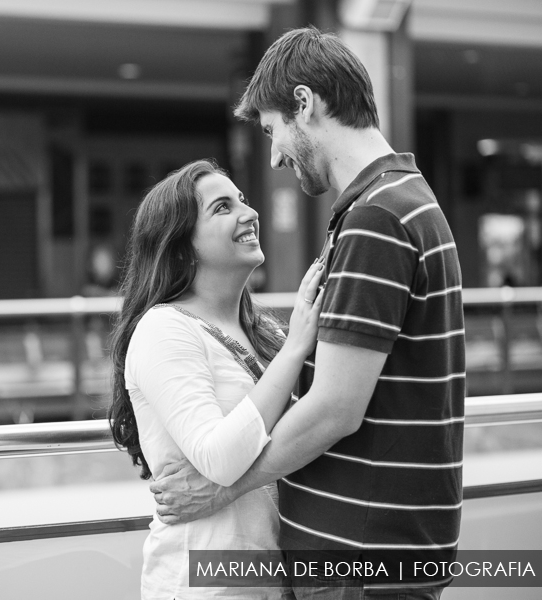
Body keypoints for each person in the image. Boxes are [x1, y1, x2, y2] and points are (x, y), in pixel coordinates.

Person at [149, 27, 465, 600]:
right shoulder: (400, 201)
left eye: (272, 130)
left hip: (360, 560)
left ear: (304, 103)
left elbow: (335, 410)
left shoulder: (378, 217)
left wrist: (220, 492)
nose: (272, 154)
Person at [109, 158, 326, 598]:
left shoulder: (264, 332)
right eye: (223, 207)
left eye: (243, 200)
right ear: (181, 246)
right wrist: (297, 347)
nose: (250, 213)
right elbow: (219, 458)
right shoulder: (164, 329)